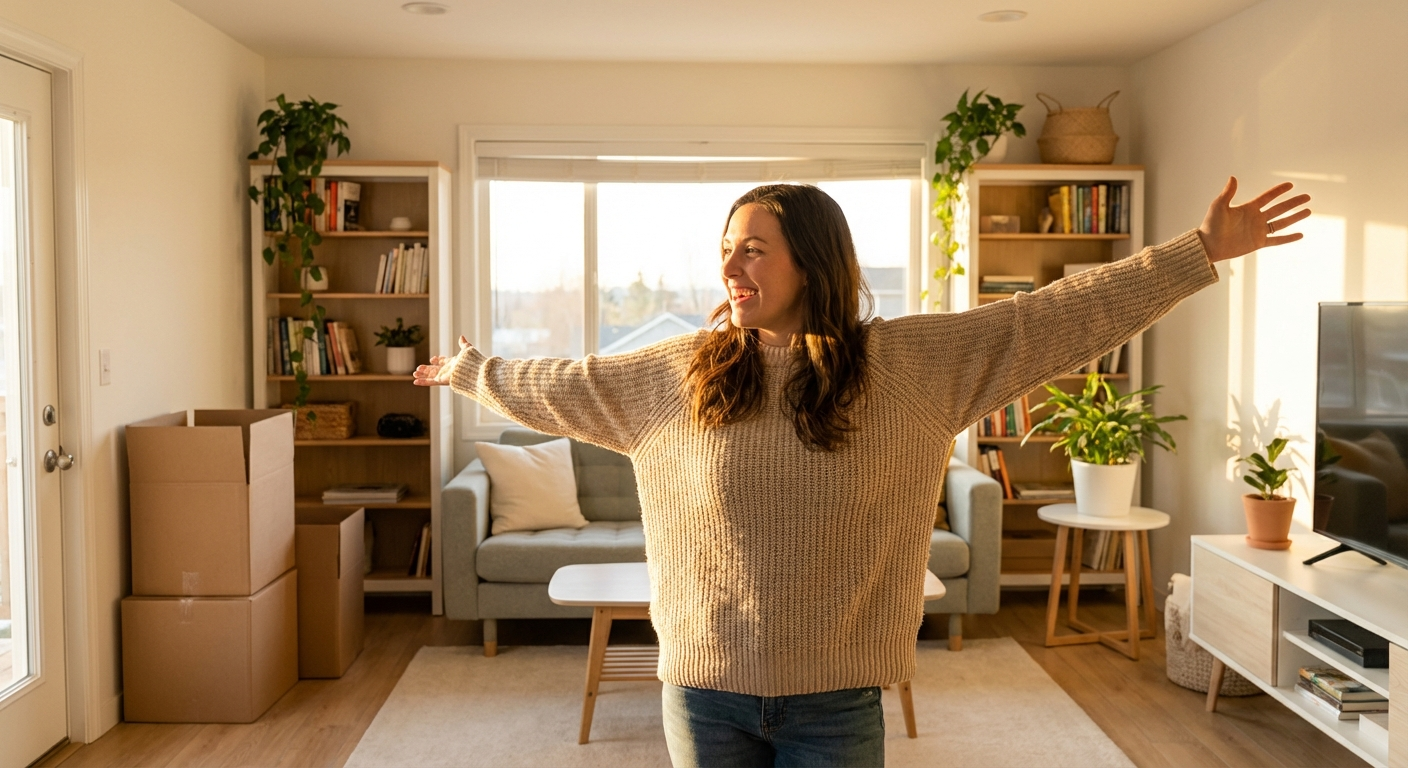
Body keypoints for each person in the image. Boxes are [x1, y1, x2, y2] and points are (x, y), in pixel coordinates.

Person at [415, 177, 1310, 767]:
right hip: (701, 691)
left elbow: (1053, 318)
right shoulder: (676, 372)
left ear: (814, 258)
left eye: (754, 246)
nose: (730, 264)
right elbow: (562, 384)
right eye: (727, 246)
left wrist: (1196, 254)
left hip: (835, 697)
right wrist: (470, 373)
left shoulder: (912, 365)